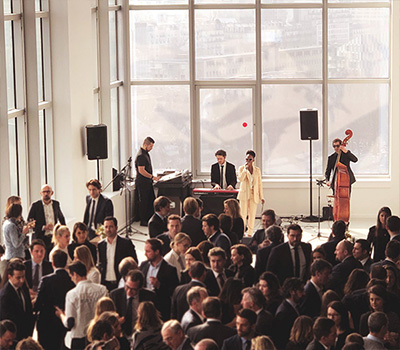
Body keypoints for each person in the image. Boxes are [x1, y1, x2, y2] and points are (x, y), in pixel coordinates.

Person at [55, 261, 108, 350]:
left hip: (78, 338)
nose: (71, 279)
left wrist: (61, 315)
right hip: (98, 337)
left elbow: (69, 323)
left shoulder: (72, 294)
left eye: (71, 276)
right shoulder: (102, 290)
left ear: (75, 274)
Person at [34, 250, 75, 350]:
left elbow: (38, 304)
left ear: (52, 263)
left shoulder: (46, 280)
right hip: (63, 324)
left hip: (46, 323)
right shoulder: (71, 280)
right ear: (66, 263)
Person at [139, 238, 179, 320]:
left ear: (157, 252)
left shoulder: (170, 269)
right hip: (144, 307)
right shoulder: (143, 265)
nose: (145, 254)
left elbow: (174, 291)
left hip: (161, 309)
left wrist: (159, 285)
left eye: (148, 251)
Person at [110, 269, 156, 338]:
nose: (129, 291)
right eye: (127, 287)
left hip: (141, 335)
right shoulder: (115, 295)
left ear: (140, 288)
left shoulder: (149, 297)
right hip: (121, 336)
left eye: (133, 289)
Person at [98, 216, 138, 291]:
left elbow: (134, 262)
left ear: (116, 228)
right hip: (105, 283)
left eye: (111, 227)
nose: (108, 229)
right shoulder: (101, 245)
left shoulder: (126, 243)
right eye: (106, 227)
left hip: (120, 282)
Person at [0, 259, 34, 340]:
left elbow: (28, 310)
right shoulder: (5, 295)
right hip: (14, 338)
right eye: (18, 277)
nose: (22, 280)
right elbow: (8, 321)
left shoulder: (23, 287)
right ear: (9, 276)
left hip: (27, 335)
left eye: (23, 276)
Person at [27, 184, 66, 253]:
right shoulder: (35, 206)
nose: (46, 194)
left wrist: (63, 231)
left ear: (52, 193)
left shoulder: (56, 204)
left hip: (53, 237)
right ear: (40, 193)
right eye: (44, 192)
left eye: (48, 192)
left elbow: (61, 218)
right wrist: (44, 227)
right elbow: (30, 222)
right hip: (40, 238)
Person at [134, 137, 160, 227]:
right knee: (143, 201)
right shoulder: (141, 155)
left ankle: (149, 218)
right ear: (145, 145)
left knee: (150, 200)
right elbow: (141, 170)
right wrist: (152, 177)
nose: (151, 148)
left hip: (147, 182)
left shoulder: (146, 154)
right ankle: (143, 220)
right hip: (142, 183)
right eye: (151, 146)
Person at [238, 150, 264, 235]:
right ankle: (242, 232)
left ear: (253, 160)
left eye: (250, 159)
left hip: (254, 195)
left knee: (252, 215)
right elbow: (240, 179)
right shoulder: (241, 168)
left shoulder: (257, 170)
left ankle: (250, 233)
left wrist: (261, 197)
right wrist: (245, 170)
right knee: (243, 214)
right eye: (246, 159)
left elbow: (259, 184)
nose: (248, 161)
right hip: (244, 194)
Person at [275, 278, 305, 349]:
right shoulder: (283, 312)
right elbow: (282, 338)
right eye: (301, 290)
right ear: (292, 292)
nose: (304, 293)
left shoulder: (297, 306)